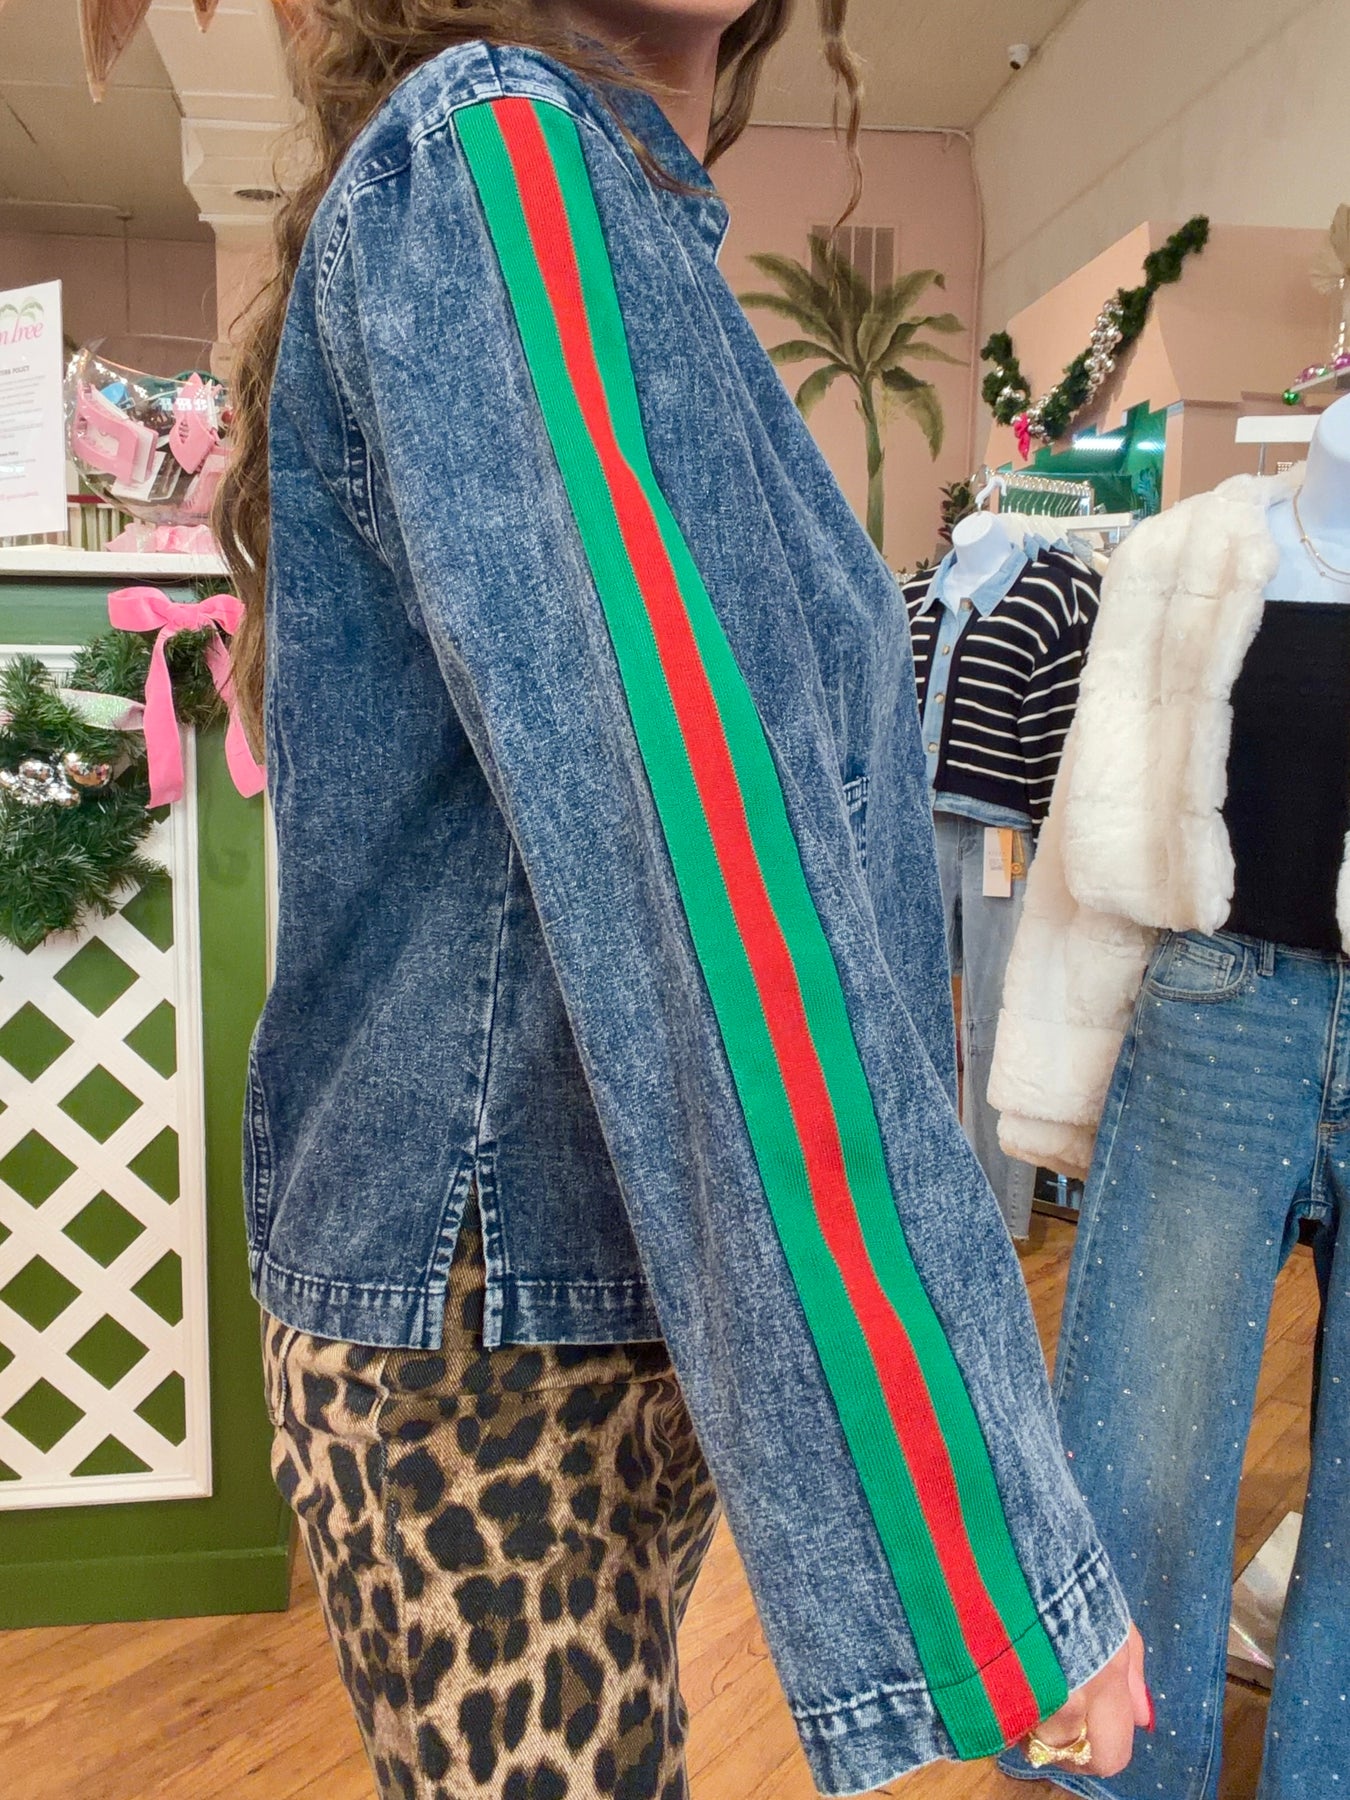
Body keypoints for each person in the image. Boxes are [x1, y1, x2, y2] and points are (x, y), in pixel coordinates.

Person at [217, 4, 1147, 1797]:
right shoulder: (499, 154)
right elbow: (710, 853)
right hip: (502, 1316)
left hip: (552, 1287)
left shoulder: (583, 200)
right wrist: (984, 1545)